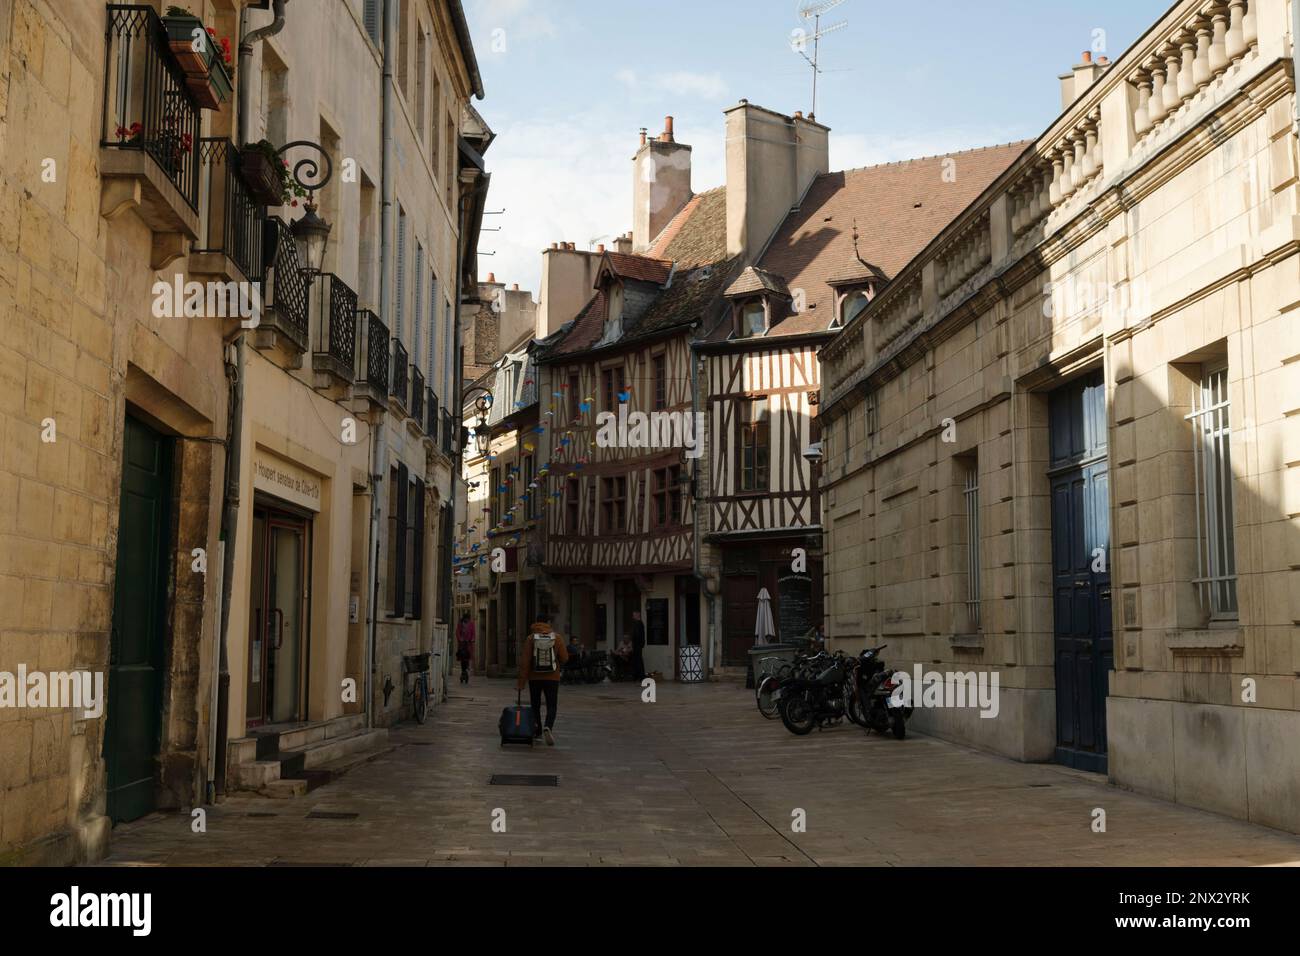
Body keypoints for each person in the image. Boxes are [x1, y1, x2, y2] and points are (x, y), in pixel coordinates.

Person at [517, 611, 569, 745]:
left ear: (536, 622)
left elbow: (525, 662)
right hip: (552, 677)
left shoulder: (530, 638)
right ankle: (548, 726)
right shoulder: (557, 638)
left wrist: (521, 683)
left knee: (535, 705)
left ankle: (538, 729)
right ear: (548, 623)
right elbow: (564, 658)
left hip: (534, 677)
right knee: (552, 704)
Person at [456, 613, 475, 685]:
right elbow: (457, 632)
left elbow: (473, 633)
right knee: (462, 657)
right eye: (466, 619)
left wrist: (472, 639)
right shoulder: (460, 624)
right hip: (462, 644)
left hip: (468, 644)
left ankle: (466, 668)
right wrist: (460, 638)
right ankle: (463, 670)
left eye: (468, 619)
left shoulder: (471, 624)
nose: (467, 620)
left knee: (467, 656)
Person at [629, 609, 646, 682]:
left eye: (634, 615)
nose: (633, 617)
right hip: (637, 644)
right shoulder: (638, 623)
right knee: (636, 660)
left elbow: (637, 634)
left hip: (637, 644)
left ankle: (640, 676)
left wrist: (633, 639)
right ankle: (637, 676)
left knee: (638, 660)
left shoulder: (638, 623)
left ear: (637, 615)